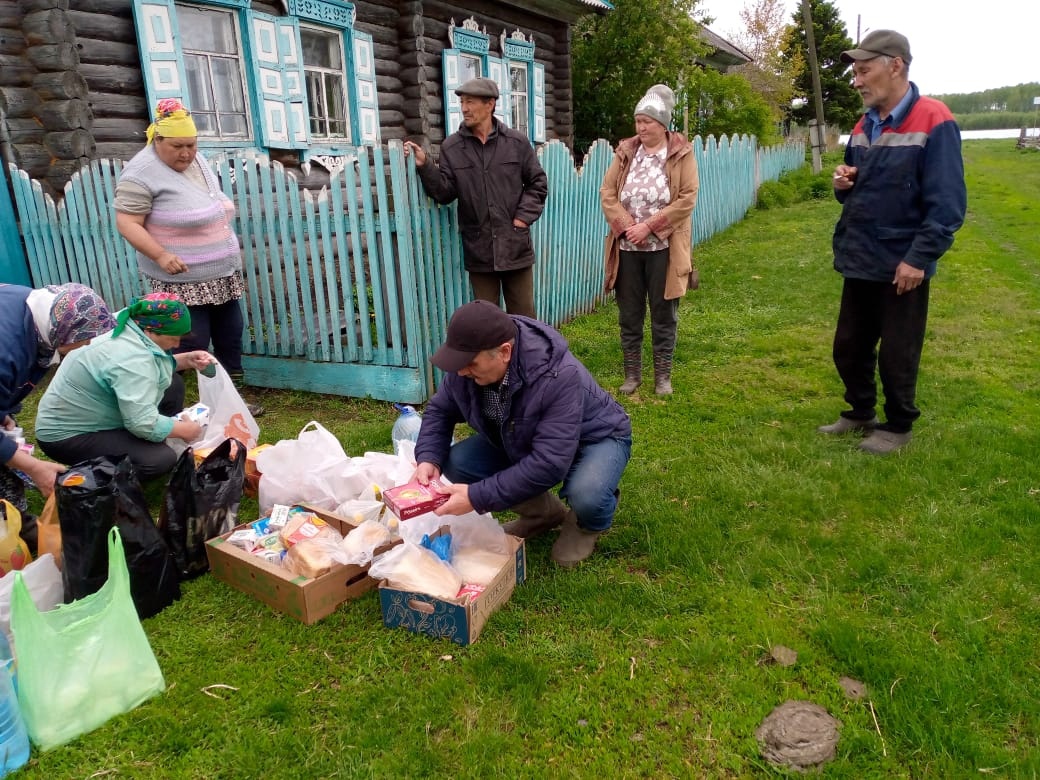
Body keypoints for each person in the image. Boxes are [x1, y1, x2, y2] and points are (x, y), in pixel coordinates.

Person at [821, 30, 966, 454]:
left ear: (895, 65)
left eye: (864, 70)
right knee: (849, 346)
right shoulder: (863, 123)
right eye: (855, 73)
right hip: (861, 255)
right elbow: (855, 181)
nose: (857, 80)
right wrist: (844, 183)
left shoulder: (933, 118)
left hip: (903, 262)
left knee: (898, 353)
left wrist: (918, 258)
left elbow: (948, 204)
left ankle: (899, 423)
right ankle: (859, 412)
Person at [412, 300, 632, 567]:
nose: (460, 371)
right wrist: (428, 457)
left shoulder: (557, 375)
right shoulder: (467, 366)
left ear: (504, 352)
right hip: (527, 435)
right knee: (458, 462)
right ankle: (544, 515)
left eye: (469, 363)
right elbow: (440, 410)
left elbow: (549, 464)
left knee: (588, 493)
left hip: (597, 437)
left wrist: (476, 497)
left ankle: (586, 524)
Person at [114, 98, 262, 416]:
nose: (186, 153)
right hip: (181, 279)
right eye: (178, 146)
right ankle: (168, 406)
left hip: (222, 275)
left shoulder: (196, 161)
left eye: (192, 145)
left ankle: (231, 401)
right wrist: (161, 254)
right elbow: (127, 223)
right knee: (189, 341)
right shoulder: (139, 174)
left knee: (230, 335)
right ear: (157, 140)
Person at [403, 78, 549, 318]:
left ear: (490, 104)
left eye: (470, 102)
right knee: (487, 321)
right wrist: (425, 165)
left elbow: (538, 183)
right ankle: (493, 357)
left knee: (524, 316)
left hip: (515, 246)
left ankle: (526, 356)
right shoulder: (452, 147)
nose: (464, 108)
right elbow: (445, 193)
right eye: (462, 102)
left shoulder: (516, 143)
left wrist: (522, 219)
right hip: (479, 249)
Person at [35, 293, 214, 481]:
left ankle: (151, 441)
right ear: (150, 331)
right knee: (158, 460)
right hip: (68, 436)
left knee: (173, 384)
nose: (177, 345)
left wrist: (186, 360)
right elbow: (141, 422)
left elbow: (147, 368)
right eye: (173, 339)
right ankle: (83, 481)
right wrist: (185, 430)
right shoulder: (130, 357)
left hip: (95, 411)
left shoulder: (132, 321)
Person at [600, 84, 699, 396]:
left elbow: (686, 198)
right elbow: (607, 193)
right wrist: (628, 226)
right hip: (627, 248)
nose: (641, 127)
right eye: (638, 121)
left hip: (664, 250)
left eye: (648, 122)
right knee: (629, 313)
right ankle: (632, 375)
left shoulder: (681, 154)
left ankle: (662, 377)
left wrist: (650, 227)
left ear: (663, 124)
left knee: (663, 313)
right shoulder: (626, 152)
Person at [1, 283, 116, 545]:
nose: (87, 350)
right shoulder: (7, 348)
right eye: (85, 342)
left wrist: (4, 410)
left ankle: (13, 521)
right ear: (67, 330)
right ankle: (8, 531)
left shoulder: (38, 314)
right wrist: (34, 468)